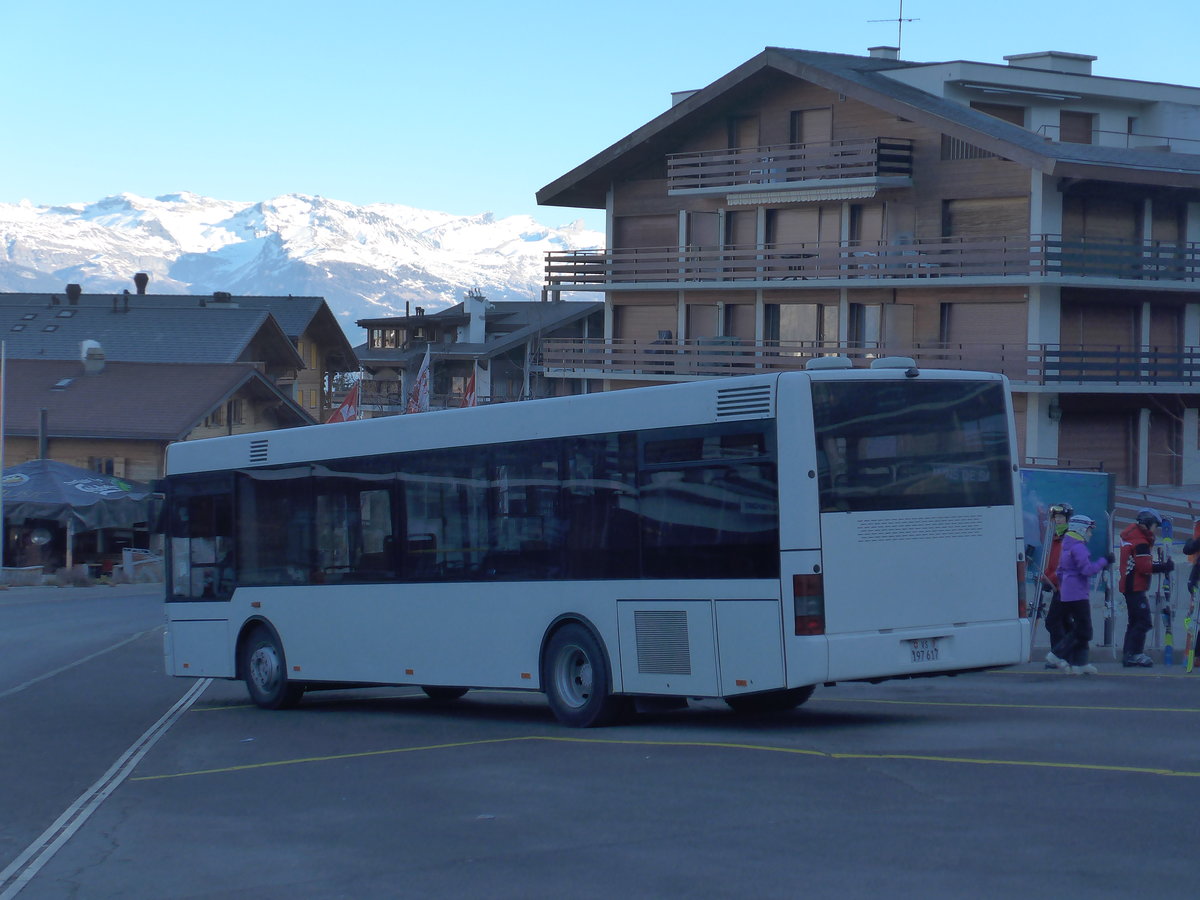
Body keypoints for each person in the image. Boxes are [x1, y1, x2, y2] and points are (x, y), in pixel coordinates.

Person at [1046, 514, 1111, 675]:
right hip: (1078, 594)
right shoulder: (1079, 548)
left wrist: (1063, 586)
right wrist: (1104, 561)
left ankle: (1080, 664)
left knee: (1080, 629)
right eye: (1089, 530)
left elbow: (1060, 570)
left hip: (1067, 592)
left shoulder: (1067, 546)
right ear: (1081, 529)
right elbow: (1087, 570)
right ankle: (1056, 654)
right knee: (1084, 630)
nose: (1090, 534)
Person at [1119, 508, 1173, 667]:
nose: (1155, 529)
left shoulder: (1132, 535)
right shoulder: (1140, 541)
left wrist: (1160, 565)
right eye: (1155, 525)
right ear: (1148, 523)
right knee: (1143, 621)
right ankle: (1135, 654)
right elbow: (1144, 567)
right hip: (1135, 586)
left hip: (1129, 585)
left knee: (1134, 621)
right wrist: (1164, 567)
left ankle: (1128, 654)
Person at [1039, 502, 1074, 664]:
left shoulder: (1069, 539)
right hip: (1059, 586)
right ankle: (1072, 653)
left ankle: (1060, 655)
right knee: (1064, 622)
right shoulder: (1056, 537)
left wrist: (1049, 578)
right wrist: (1046, 577)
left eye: (1061, 517)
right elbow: (1052, 562)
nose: (1058, 520)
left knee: (1053, 621)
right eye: (1056, 517)